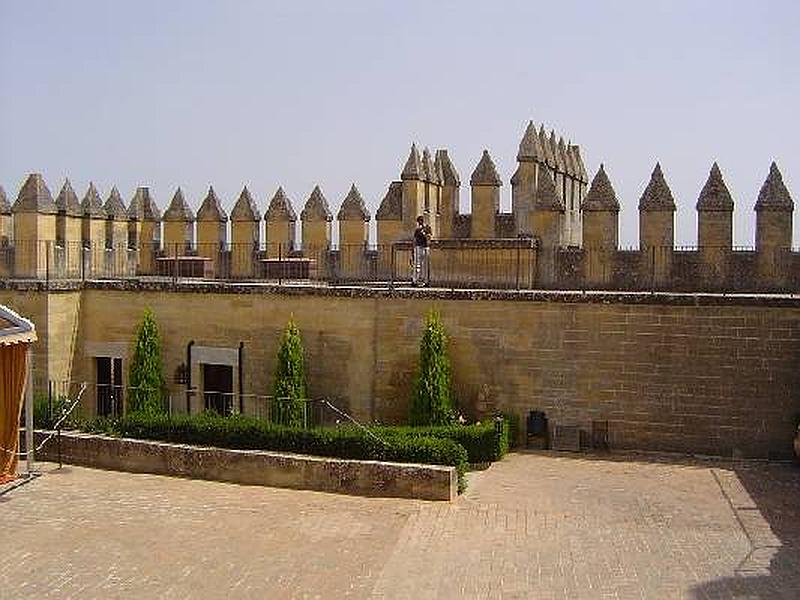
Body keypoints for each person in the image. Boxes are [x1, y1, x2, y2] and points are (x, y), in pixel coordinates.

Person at [412, 215, 431, 286]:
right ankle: (415, 280)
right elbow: (415, 240)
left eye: (421, 221)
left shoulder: (427, 228)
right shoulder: (417, 230)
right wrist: (413, 250)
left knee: (425, 265)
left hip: (425, 247)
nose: (420, 223)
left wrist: (424, 233)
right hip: (418, 247)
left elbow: (429, 237)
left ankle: (426, 281)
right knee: (417, 264)